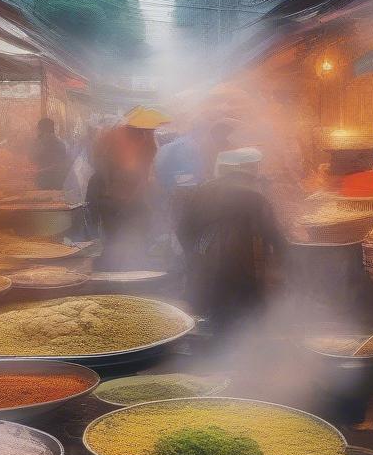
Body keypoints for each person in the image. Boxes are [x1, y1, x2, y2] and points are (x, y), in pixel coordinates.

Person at [176, 147, 286, 336]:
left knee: (211, 323)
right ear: (248, 171)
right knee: (243, 327)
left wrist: (195, 260)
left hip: (204, 278)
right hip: (240, 276)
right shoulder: (254, 197)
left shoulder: (202, 191)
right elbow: (276, 239)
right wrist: (283, 270)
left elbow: (182, 230)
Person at [87, 107, 170, 269]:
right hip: (124, 203)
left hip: (110, 200)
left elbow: (99, 162)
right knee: (127, 240)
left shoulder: (114, 137)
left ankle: (113, 266)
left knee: (116, 238)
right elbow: (142, 176)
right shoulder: (142, 143)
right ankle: (124, 269)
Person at [30, 117, 69, 191]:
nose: (37, 133)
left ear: (44, 131)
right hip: (43, 181)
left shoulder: (58, 144)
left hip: (54, 183)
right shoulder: (42, 143)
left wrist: (38, 172)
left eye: (38, 130)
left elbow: (58, 165)